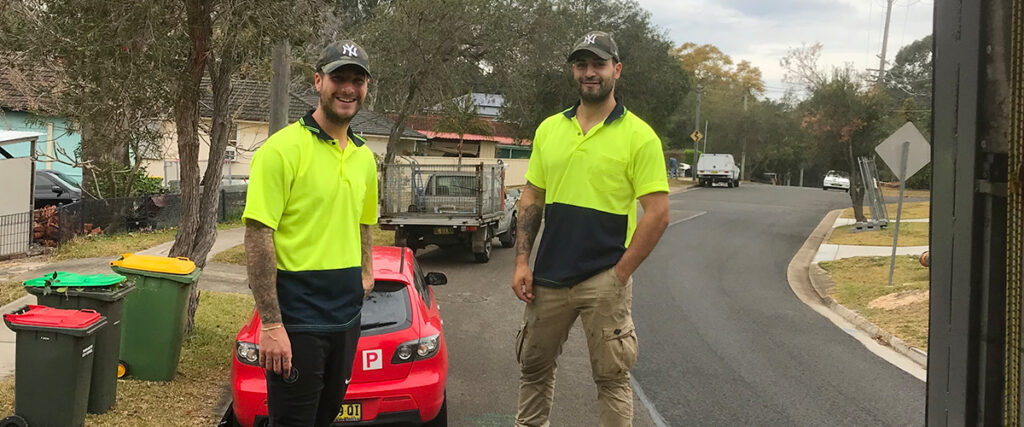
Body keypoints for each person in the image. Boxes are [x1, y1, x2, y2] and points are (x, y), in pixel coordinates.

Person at [511, 30, 671, 427]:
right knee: (533, 369)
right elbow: (532, 197)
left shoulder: (640, 136)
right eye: (581, 65)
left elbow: (658, 213)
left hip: (604, 278)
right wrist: (521, 261)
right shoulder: (550, 129)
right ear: (574, 71)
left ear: (616, 69)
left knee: (612, 379)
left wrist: (622, 271)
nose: (589, 72)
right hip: (547, 278)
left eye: (598, 64)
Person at [241, 40, 378, 427]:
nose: (348, 88)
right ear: (319, 81)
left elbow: (365, 220)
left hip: (346, 317)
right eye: (338, 78)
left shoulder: (364, 156)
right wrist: (270, 325)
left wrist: (366, 272)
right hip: (297, 320)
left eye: (357, 80)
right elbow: (257, 235)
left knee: (325, 418)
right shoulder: (281, 150)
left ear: (366, 89)